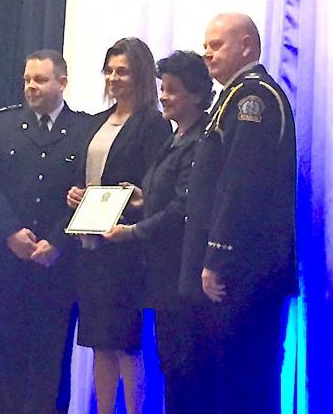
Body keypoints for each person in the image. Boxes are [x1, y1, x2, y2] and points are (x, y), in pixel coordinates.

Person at [179, 13, 298, 413]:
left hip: (245, 272)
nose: (207, 54)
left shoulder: (254, 98)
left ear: (246, 45)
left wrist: (217, 256)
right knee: (224, 379)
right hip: (237, 271)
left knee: (245, 379)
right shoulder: (231, 98)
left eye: (217, 45)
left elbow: (240, 184)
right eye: (206, 45)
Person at [0, 50, 88, 413]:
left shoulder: (84, 129)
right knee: (3, 358)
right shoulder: (4, 124)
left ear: (62, 83)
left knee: (50, 362)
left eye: (40, 80)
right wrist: (10, 232)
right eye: (27, 80)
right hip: (8, 261)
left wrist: (57, 239)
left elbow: (87, 192)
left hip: (57, 265)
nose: (31, 87)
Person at [103, 50, 213, 413]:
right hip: (164, 274)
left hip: (182, 273)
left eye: (172, 90)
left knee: (186, 367)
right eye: (162, 88)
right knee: (171, 364)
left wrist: (132, 232)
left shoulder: (200, 140)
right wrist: (140, 198)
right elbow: (164, 197)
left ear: (196, 95)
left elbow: (183, 208)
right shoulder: (176, 136)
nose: (163, 96)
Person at [66, 37, 172, 414]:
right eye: (109, 70)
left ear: (140, 75)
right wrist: (77, 195)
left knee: (125, 341)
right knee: (98, 341)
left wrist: (133, 201)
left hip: (125, 248)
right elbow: (87, 175)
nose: (113, 77)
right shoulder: (95, 123)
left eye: (122, 71)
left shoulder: (154, 124)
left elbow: (155, 187)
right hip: (90, 247)